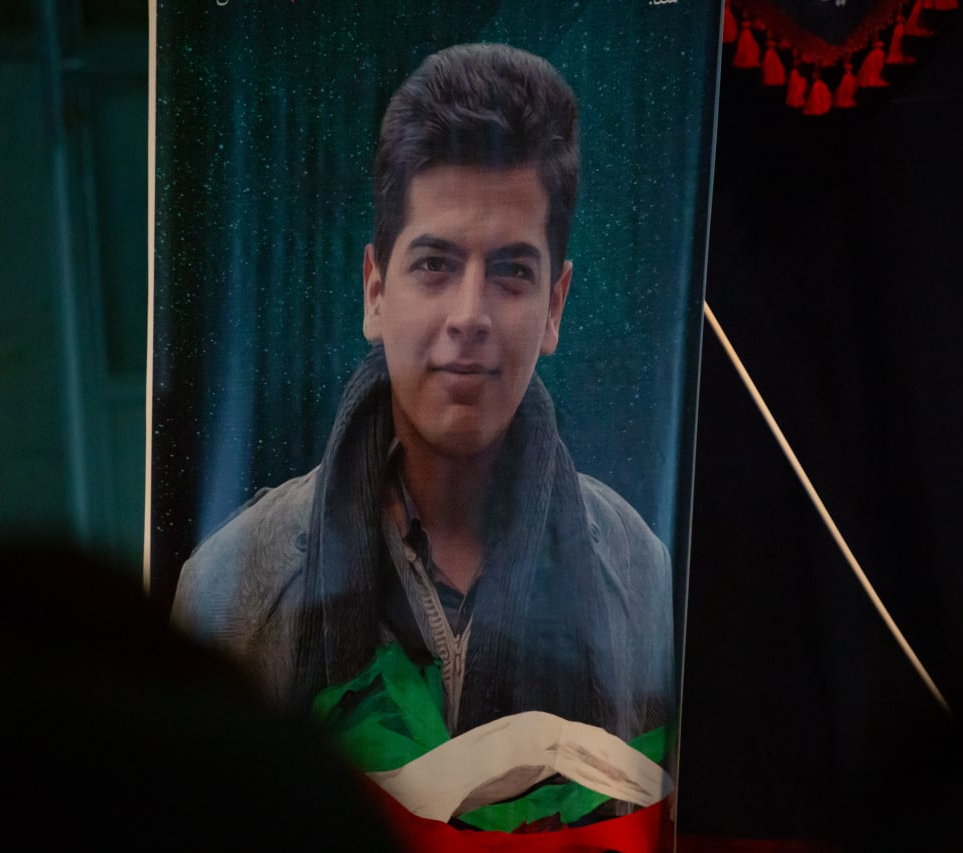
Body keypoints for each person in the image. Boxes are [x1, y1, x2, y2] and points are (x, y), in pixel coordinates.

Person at [171, 44, 676, 826]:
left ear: (555, 305)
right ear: (375, 290)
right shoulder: (231, 589)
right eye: (435, 264)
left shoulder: (640, 579)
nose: (470, 314)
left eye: (511, 271)